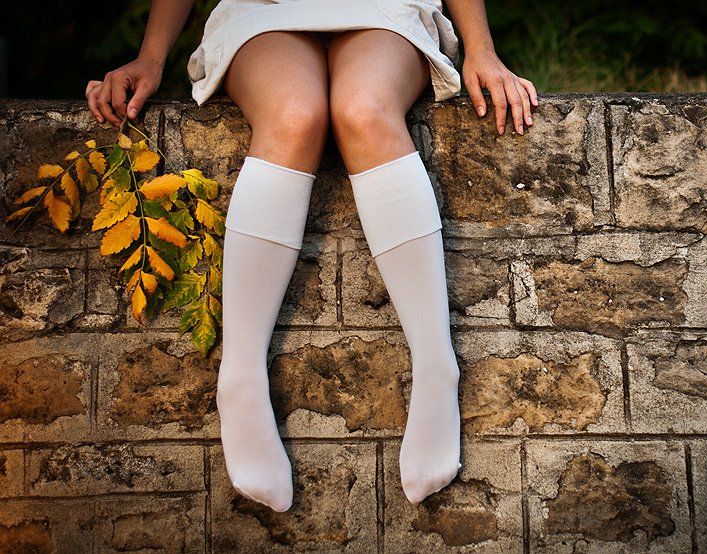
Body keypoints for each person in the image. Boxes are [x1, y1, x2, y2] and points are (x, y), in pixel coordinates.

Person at [84, 0, 538, 512]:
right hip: (264, 11)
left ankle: (437, 367)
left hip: (384, 9)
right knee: (294, 116)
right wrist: (150, 56)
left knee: (364, 110)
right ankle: (241, 377)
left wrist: (481, 49)